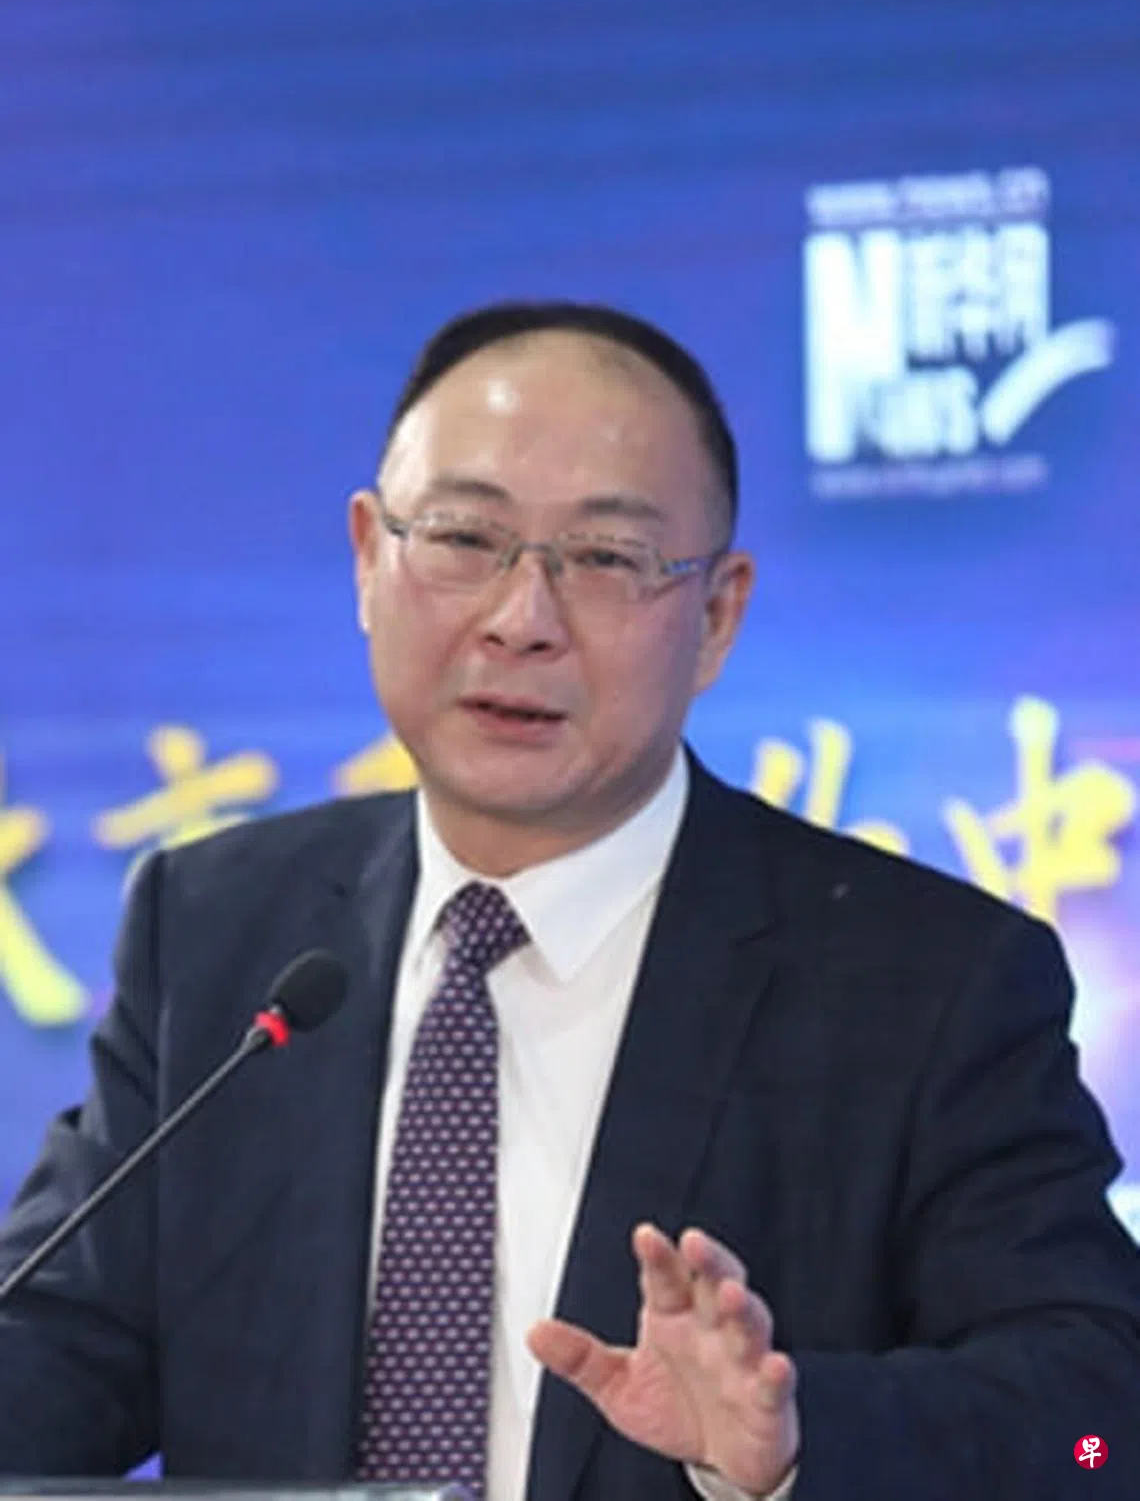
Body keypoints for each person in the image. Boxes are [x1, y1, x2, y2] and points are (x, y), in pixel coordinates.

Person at [0, 301, 1138, 1501]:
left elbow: (1102, 1429)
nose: (520, 621)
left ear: (717, 615)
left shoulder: (927, 983)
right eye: (463, 537)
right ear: (369, 559)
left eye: (605, 559)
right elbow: (60, 1342)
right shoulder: (218, 926)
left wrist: (799, 1438)